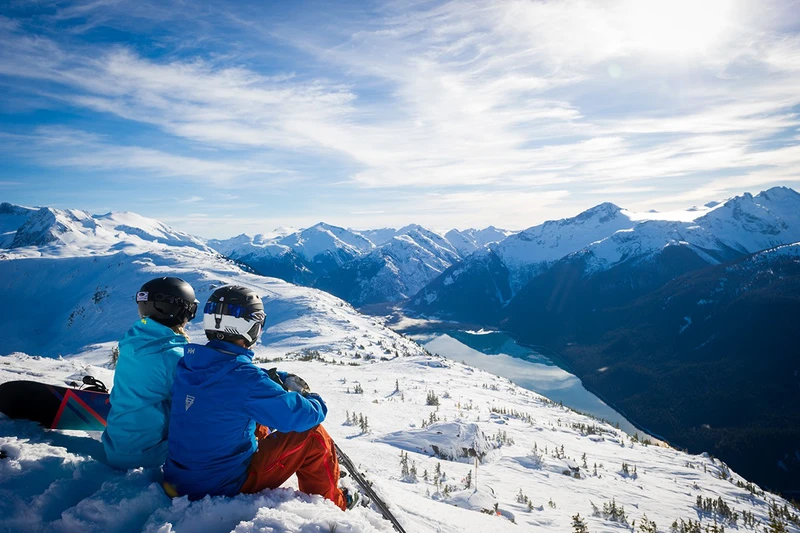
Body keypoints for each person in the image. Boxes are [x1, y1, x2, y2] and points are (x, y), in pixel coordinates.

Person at [163, 285, 352, 510]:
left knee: (255, 420)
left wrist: (272, 377)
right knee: (312, 434)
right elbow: (298, 417)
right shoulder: (247, 381)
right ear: (251, 327)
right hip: (219, 486)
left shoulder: (189, 365)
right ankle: (334, 503)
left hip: (179, 480)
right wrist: (314, 400)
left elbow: (229, 379)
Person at [101, 276, 198, 470]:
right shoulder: (173, 357)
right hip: (148, 456)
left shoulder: (133, 343)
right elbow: (199, 400)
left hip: (114, 448)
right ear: (180, 311)